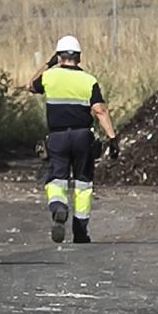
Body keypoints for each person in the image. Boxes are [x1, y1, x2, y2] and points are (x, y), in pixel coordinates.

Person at [27, 35, 118, 244]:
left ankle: (59, 207)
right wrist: (112, 138)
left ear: (59, 56)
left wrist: (48, 64)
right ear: (79, 57)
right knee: (83, 183)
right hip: (82, 136)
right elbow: (100, 111)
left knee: (56, 179)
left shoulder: (49, 77)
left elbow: (30, 86)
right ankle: (80, 232)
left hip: (57, 137)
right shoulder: (89, 80)